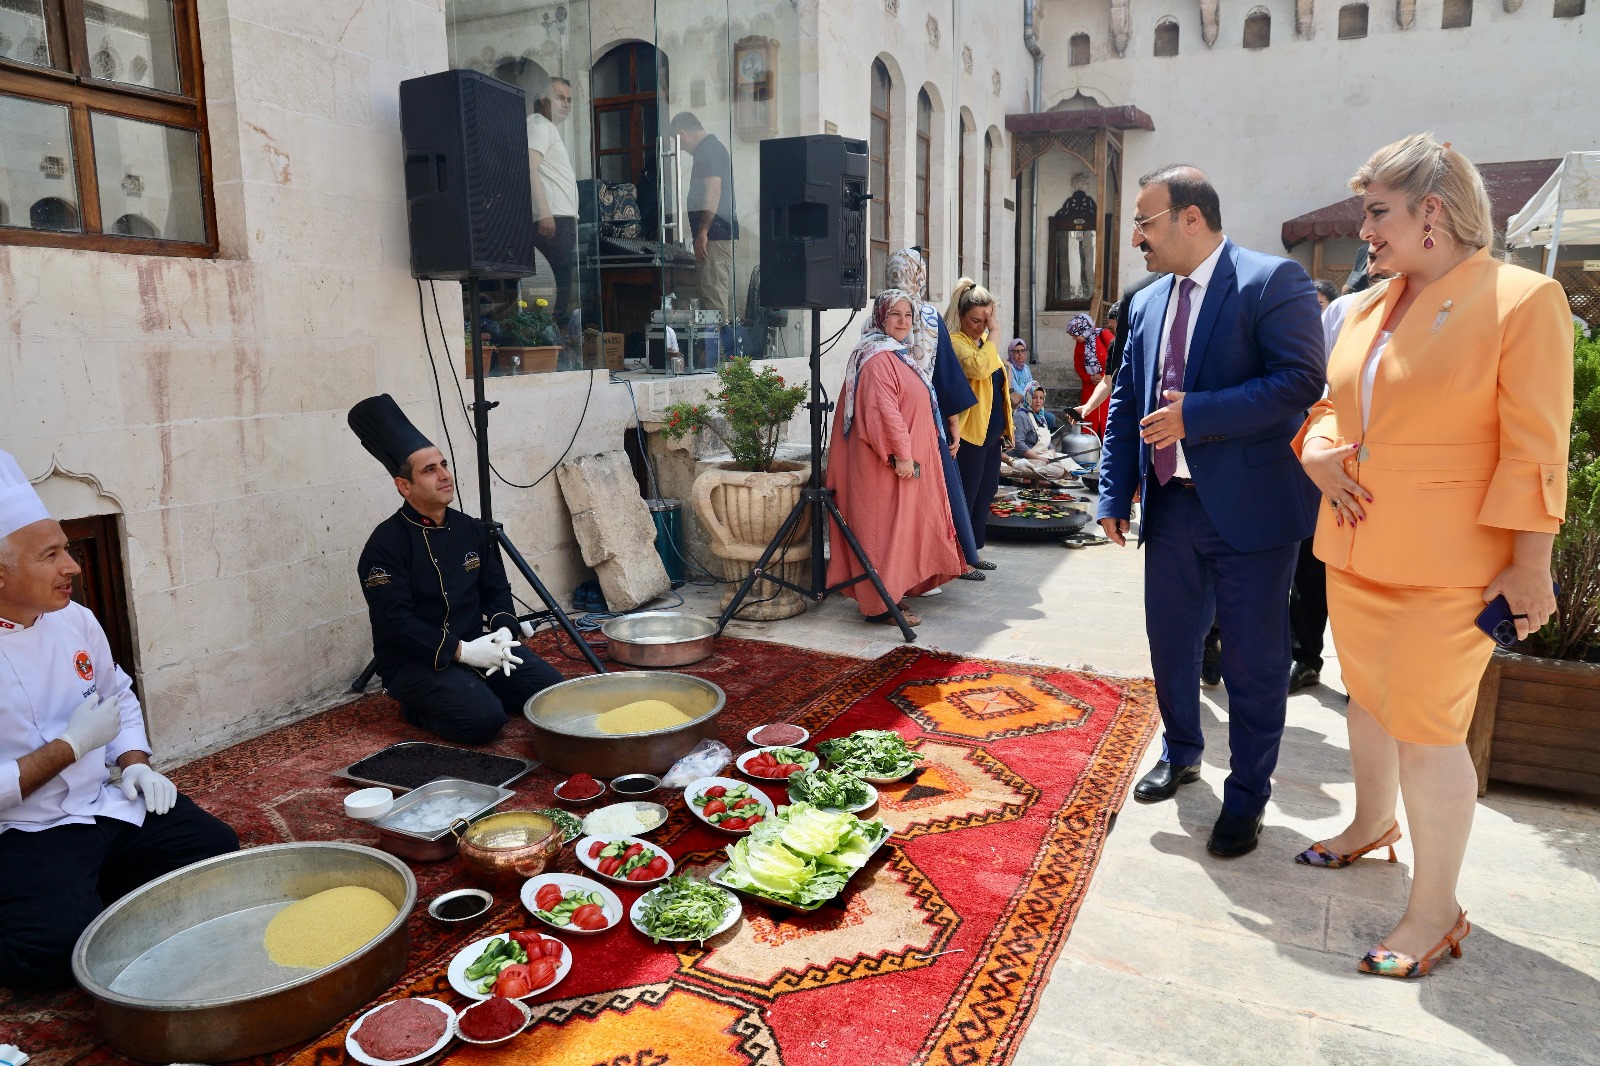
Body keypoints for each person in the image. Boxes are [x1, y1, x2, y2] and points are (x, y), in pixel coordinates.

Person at [1293, 135, 1573, 978]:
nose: (1365, 229)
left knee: (1428, 730)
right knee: (1368, 702)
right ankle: (1371, 824)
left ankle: (1436, 909)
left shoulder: (1524, 300)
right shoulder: (1373, 303)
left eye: (1378, 211)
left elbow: (1535, 446)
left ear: (1433, 212)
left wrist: (1530, 565)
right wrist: (1317, 451)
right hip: (1355, 546)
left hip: (1451, 565)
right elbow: (1335, 405)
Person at [1096, 165, 1325, 858]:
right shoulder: (1143, 302)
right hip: (1172, 507)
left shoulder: (1270, 281)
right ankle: (1182, 751)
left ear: (1190, 218)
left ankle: (1248, 796)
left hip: (1252, 514)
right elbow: (1126, 405)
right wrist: (1113, 491)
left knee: (1255, 664)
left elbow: (1300, 381)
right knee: (1171, 646)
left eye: (1145, 221)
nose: (1136, 236)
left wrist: (1198, 415)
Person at [0, 450, 238, 989]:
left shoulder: (75, 620)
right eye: (51, 555)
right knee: (56, 957)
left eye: (67, 548)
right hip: (22, 828)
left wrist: (135, 764)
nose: (73, 566)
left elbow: (119, 698)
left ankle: (84, 891)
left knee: (213, 850)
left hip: (99, 805)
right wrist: (70, 746)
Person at [349, 395, 564, 744]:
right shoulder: (385, 545)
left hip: (481, 646)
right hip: (416, 663)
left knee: (558, 696)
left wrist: (504, 634)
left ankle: (479, 690)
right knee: (484, 723)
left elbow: (496, 590)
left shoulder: (471, 530)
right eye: (429, 470)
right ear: (404, 486)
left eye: (444, 465)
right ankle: (417, 708)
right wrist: (462, 652)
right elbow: (394, 622)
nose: (445, 476)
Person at [826, 291, 967, 626]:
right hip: (885, 467)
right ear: (880, 317)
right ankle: (879, 604)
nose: (903, 322)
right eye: (895, 315)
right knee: (882, 533)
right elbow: (883, 412)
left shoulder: (894, 353)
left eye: (908, 315)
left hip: (898, 466)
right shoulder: (876, 357)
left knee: (897, 532)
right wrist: (902, 456)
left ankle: (891, 594)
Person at [882, 247, 986, 582]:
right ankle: (942, 565)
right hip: (925, 419)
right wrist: (952, 424)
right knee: (937, 493)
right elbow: (942, 375)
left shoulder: (881, 312)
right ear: (920, 274)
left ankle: (902, 570)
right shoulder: (926, 315)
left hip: (887, 421)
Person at [948, 279, 1013, 571]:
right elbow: (979, 367)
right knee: (967, 495)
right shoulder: (956, 343)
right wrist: (996, 333)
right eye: (975, 320)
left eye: (986, 320)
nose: (982, 326)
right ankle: (959, 559)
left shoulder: (983, 344)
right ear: (961, 316)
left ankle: (973, 552)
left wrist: (1007, 430)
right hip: (969, 434)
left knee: (985, 493)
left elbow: (998, 386)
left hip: (990, 434)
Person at [669, 112, 738, 323]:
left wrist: (703, 232)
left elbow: (713, 191)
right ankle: (717, 350)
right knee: (711, 292)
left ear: (683, 133)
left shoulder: (709, 150)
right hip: (714, 233)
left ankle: (722, 353)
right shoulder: (709, 149)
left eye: (678, 142)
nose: (680, 148)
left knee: (714, 293)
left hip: (715, 234)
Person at [527, 78, 580, 329]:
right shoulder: (539, 125)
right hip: (552, 219)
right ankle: (548, 342)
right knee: (556, 290)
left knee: (560, 290)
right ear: (543, 100)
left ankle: (552, 342)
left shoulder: (547, 128)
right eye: (560, 97)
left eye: (569, 99)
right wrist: (544, 211)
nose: (566, 104)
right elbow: (529, 168)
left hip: (559, 218)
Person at [1076, 274, 1160, 428]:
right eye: (1113, 327)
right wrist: (1088, 407)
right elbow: (1107, 382)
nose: (1115, 332)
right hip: (1121, 409)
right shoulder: (1114, 345)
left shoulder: (1148, 342)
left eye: (1118, 327)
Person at [1004, 386, 1074, 483]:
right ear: (1028, 398)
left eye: (1041, 398)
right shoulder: (1021, 416)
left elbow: (1047, 440)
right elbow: (1018, 445)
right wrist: (1039, 458)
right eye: (1034, 397)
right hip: (1024, 458)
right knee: (1058, 470)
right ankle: (1031, 481)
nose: (1038, 401)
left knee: (1067, 461)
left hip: (1041, 453)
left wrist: (1053, 454)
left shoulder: (1040, 415)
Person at [1065, 313, 1112, 440]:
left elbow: (1116, 356)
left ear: (1083, 330)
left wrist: (1103, 375)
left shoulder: (1104, 335)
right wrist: (1088, 378)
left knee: (1107, 419)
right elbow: (1078, 365)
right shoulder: (1080, 344)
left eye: (1075, 335)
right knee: (1089, 419)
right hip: (1089, 387)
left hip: (1107, 385)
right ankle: (1091, 448)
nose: (1074, 338)